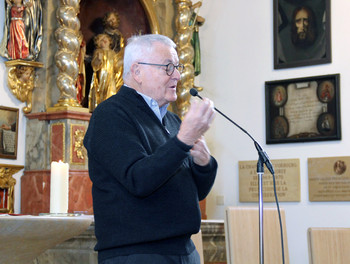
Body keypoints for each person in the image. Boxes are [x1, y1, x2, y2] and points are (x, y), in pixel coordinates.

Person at [84, 34, 217, 264]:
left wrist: (204, 164)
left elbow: (196, 193)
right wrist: (183, 141)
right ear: (137, 72)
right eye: (167, 67)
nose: (177, 75)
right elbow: (139, 179)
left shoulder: (174, 121)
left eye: (177, 67)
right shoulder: (110, 115)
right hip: (138, 254)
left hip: (184, 251)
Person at [89, 33, 123, 112]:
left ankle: (111, 109)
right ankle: (101, 109)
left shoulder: (112, 53)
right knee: (101, 93)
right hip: (101, 78)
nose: (103, 41)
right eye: (101, 40)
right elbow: (94, 66)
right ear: (98, 43)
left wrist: (123, 60)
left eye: (105, 39)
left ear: (109, 41)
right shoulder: (98, 52)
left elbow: (116, 67)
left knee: (111, 92)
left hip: (110, 78)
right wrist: (98, 59)